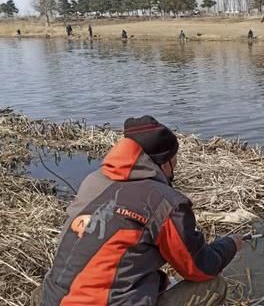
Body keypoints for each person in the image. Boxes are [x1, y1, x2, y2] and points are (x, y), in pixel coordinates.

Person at [35, 115, 244, 306]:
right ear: (164, 163)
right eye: (175, 161)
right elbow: (199, 268)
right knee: (212, 286)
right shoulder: (166, 202)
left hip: (52, 300)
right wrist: (230, 245)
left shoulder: (93, 181)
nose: (175, 168)